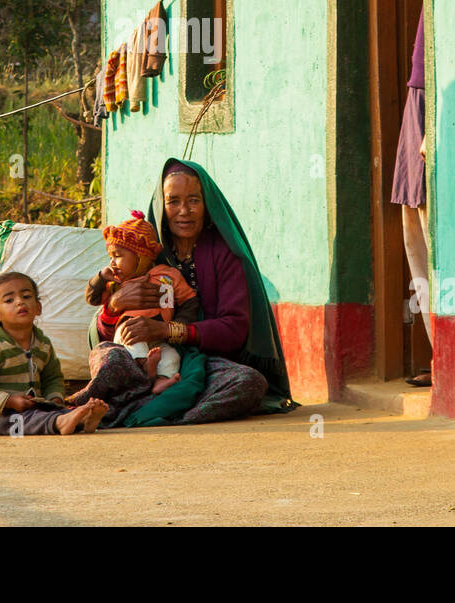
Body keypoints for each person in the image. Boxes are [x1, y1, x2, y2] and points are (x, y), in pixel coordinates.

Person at [71, 158, 297, 426]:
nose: (184, 211)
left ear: (207, 205)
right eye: (173, 201)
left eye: (194, 200)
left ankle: (148, 412)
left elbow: (234, 329)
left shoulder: (226, 255)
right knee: (110, 358)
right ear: (162, 206)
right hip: (140, 362)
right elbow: (104, 334)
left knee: (248, 382)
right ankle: (150, 406)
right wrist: (114, 306)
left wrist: (167, 331)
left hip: (201, 363)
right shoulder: (145, 253)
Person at [0, 272, 107, 435]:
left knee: (52, 413)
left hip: (31, 406)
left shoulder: (43, 344)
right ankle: (60, 422)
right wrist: (10, 400)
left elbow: (52, 378)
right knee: (20, 422)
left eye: (27, 296)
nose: (20, 302)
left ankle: (82, 422)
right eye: (9, 300)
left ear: (38, 307)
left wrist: (54, 398)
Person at [391, 0, 433, 386]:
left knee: (429, 234)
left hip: (425, 112)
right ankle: (439, 351)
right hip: (414, 105)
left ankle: (447, 352)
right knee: (413, 233)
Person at [86, 210, 197, 394]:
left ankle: (160, 380)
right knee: (130, 341)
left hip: (159, 338)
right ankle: (144, 367)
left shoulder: (168, 275)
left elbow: (189, 301)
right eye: (111, 256)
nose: (112, 262)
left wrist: (177, 325)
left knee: (171, 356)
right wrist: (101, 278)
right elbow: (92, 298)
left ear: (141, 256)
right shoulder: (116, 282)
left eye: (118, 256)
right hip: (129, 332)